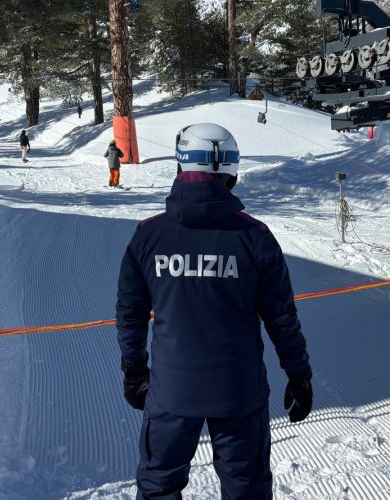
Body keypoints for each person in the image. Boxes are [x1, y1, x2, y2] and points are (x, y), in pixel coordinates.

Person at [116, 123, 313, 499]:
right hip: (238, 390)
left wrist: (134, 369)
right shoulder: (255, 237)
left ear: (181, 166)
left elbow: (130, 313)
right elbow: (281, 316)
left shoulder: (149, 235)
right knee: (246, 485)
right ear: (231, 172)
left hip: (172, 390)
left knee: (159, 485)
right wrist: (299, 373)